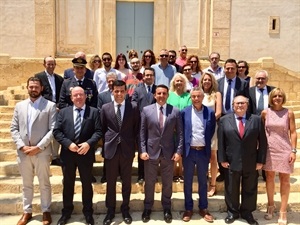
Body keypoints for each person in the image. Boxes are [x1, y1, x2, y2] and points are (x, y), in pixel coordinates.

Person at [11, 77, 57, 225]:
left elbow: (53, 130)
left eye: (36, 87)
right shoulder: (20, 106)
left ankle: (46, 211)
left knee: (44, 183)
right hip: (23, 152)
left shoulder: (50, 106)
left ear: (41, 88)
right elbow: (14, 128)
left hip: (41, 152)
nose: (33, 89)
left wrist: (39, 147)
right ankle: (27, 211)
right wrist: (21, 146)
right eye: (31, 87)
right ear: (27, 88)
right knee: (26, 184)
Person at [53, 86, 101, 225]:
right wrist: (68, 144)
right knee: (68, 184)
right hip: (68, 154)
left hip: (85, 154)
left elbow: (98, 132)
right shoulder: (63, 112)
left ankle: (88, 212)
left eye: (81, 94)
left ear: (86, 96)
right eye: (76, 95)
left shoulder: (94, 112)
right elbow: (57, 132)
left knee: (87, 184)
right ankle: (66, 212)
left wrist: (88, 144)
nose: (79, 97)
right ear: (71, 97)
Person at [218, 95, 267, 225]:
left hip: (251, 161)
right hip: (231, 161)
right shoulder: (224, 120)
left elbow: (262, 141)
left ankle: (247, 212)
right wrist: (222, 159)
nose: (240, 106)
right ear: (233, 105)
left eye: (242, 103)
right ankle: (232, 212)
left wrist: (261, 160)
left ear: (247, 105)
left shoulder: (256, 120)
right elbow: (221, 142)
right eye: (237, 103)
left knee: (250, 188)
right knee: (231, 188)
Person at [140, 84, 183, 223]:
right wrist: (143, 150)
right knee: (150, 181)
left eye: (164, 93)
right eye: (159, 93)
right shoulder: (146, 110)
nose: (161, 96)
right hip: (150, 152)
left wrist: (178, 151)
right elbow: (142, 133)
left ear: (167, 95)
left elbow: (180, 134)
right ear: (154, 95)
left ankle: (166, 207)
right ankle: (147, 207)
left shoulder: (175, 111)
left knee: (167, 182)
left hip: (169, 152)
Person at [101, 80, 140, 225]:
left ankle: (125, 209)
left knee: (127, 182)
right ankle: (110, 211)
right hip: (111, 150)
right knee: (110, 182)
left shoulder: (134, 107)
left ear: (126, 91)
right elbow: (103, 128)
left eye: (121, 91)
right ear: (112, 91)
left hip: (127, 150)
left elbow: (136, 128)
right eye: (116, 91)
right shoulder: (105, 108)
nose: (119, 94)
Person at [261, 88, 297, 225]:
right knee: (269, 178)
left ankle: (283, 211)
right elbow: (262, 132)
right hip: (269, 149)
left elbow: (293, 132)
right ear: (271, 97)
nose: (277, 98)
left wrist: (293, 151)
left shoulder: (289, 113)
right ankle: (270, 206)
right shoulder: (265, 113)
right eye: (275, 96)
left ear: (283, 98)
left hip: (284, 150)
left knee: (285, 180)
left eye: (280, 96)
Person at [181, 87, 216, 223]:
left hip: (203, 152)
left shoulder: (210, 112)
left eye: (198, 96)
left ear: (202, 97)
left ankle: (203, 208)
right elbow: (182, 131)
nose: (196, 99)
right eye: (193, 96)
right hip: (189, 152)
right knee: (188, 181)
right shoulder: (185, 112)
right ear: (191, 98)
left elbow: (211, 129)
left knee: (203, 181)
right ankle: (188, 209)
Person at [216, 58, 249, 182]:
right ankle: (223, 172)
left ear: (236, 70)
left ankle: (236, 169)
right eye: (227, 68)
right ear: (224, 69)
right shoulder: (218, 83)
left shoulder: (243, 84)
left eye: (232, 68)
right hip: (221, 118)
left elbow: (247, 101)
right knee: (221, 144)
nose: (229, 70)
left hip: (237, 118)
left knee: (235, 144)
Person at [35, 56, 63, 166]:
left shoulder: (59, 79)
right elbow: (38, 94)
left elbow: (61, 94)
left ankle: (55, 156)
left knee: (56, 132)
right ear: (44, 65)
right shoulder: (38, 77)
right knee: (44, 132)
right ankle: (44, 154)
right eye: (48, 64)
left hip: (57, 109)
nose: (51, 66)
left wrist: (58, 106)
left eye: (53, 64)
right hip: (43, 109)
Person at [248, 70, 275, 181]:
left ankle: (265, 172)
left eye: (262, 78)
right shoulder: (249, 91)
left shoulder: (272, 91)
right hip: (253, 123)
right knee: (253, 147)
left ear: (267, 80)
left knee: (265, 147)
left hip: (269, 123)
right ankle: (253, 172)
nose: (260, 81)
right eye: (258, 78)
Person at [132, 68, 157, 183]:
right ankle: (141, 175)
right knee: (142, 149)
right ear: (143, 77)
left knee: (154, 150)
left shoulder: (157, 89)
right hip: (141, 123)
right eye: (147, 75)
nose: (149, 77)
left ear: (153, 76)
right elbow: (134, 103)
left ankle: (153, 175)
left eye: (151, 75)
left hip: (155, 124)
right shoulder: (138, 89)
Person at [199, 72, 222, 197]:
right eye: (204, 80)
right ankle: (203, 182)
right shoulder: (198, 93)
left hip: (212, 127)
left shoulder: (216, 94)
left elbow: (218, 112)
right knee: (202, 156)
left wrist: (207, 121)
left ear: (212, 81)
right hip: (198, 128)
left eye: (209, 80)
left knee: (213, 156)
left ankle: (212, 184)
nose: (206, 82)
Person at [167, 73, 191, 182]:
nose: (179, 83)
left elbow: (190, 112)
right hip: (171, 128)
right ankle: (172, 174)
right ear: (173, 82)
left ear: (184, 83)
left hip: (185, 127)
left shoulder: (188, 96)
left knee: (181, 150)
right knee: (172, 150)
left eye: (181, 81)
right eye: (177, 81)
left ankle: (180, 173)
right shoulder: (169, 95)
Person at [97, 72, 118, 184]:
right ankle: (106, 174)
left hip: (119, 128)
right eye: (109, 81)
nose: (111, 83)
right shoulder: (102, 96)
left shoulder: (123, 94)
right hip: (108, 128)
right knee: (107, 153)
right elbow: (99, 110)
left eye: (113, 80)